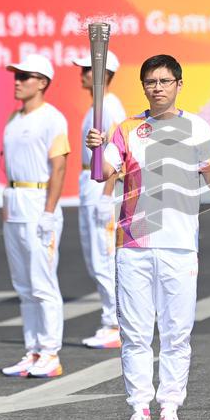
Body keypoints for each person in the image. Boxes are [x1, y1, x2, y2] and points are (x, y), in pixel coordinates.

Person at [86, 54, 210, 420]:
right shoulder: (127, 128)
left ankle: (169, 409)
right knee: (134, 332)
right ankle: (139, 411)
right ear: (144, 87)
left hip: (180, 244)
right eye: (151, 82)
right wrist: (94, 148)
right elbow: (103, 173)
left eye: (165, 81)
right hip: (134, 243)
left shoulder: (196, 127)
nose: (158, 88)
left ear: (179, 85)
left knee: (176, 332)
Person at [0, 54, 70, 378]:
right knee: (24, 286)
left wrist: (49, 211)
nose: (18, 81)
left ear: (42, 82)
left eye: (25, 76)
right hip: (14, 202)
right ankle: (32, 350)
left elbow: (59, 167)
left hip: (39, 201)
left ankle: (51, 352)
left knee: (43, 283)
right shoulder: (14, 120)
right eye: (16, 75)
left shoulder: (52, 118)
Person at [73, 51, 126, 349]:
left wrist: (108, 196)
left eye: (86, 69)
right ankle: (110, 319)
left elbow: (117, 152)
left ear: (103, 74)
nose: (81, 74)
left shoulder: (110, 107)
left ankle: (114, 323)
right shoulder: (96, 106)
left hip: (102, 186)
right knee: (95, 257)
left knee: (104, 257)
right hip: (89, 182)